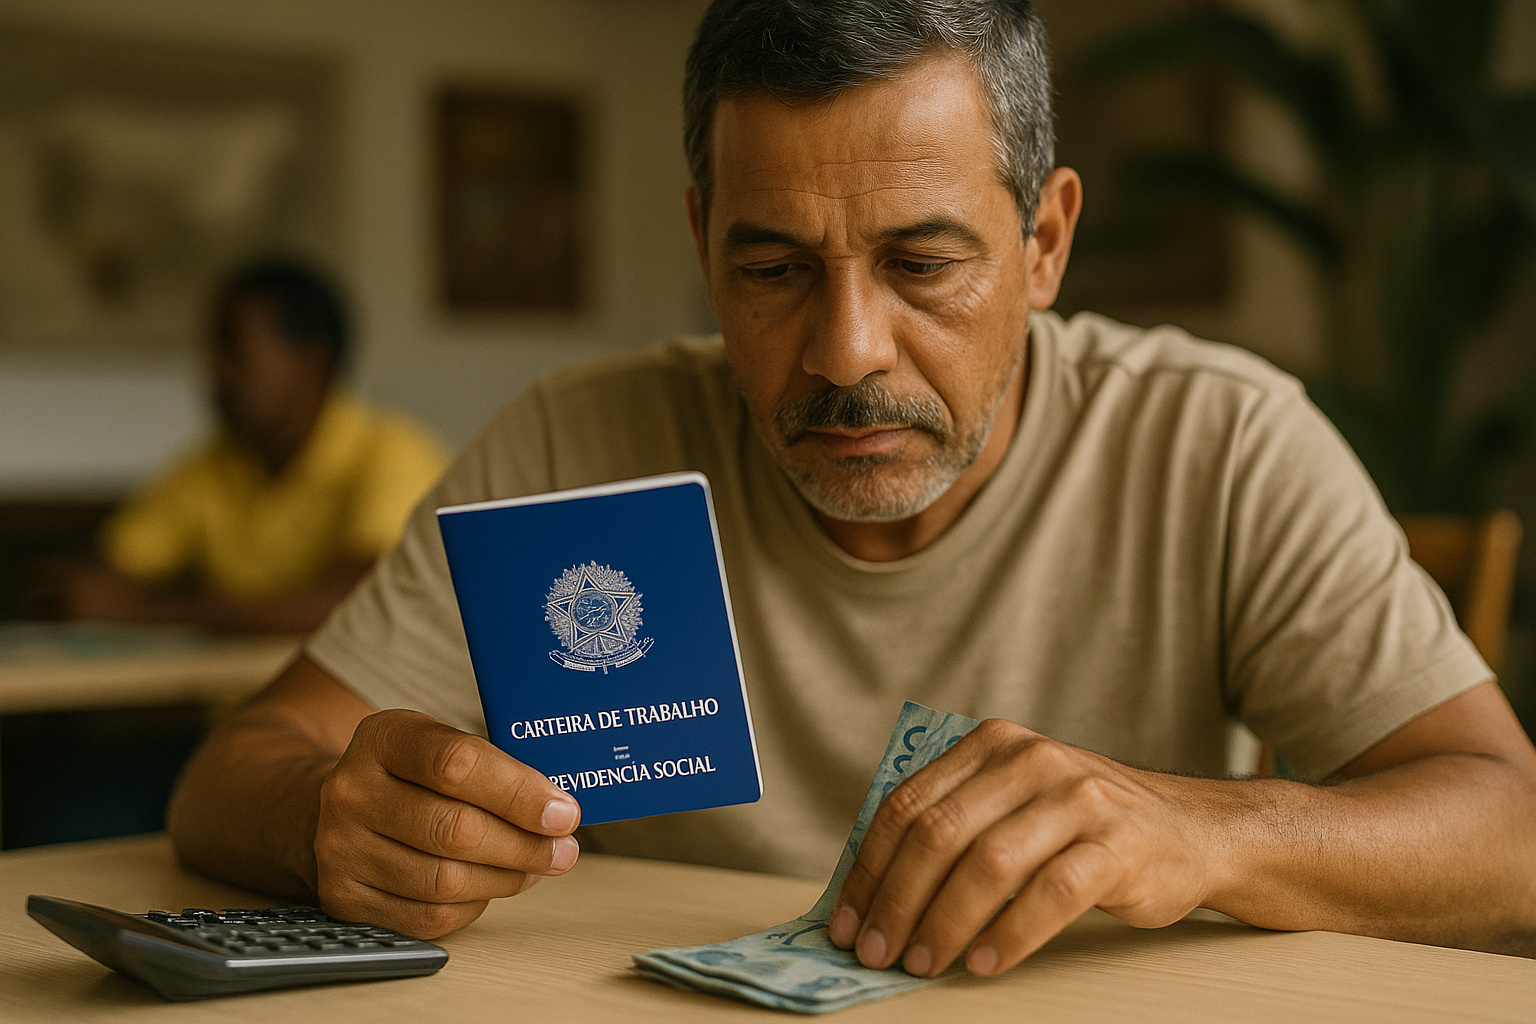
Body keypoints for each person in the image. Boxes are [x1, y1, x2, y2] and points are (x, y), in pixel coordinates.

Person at [169, 0, 1536, 978]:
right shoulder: (575, 443)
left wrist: (1197, 827)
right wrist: (328, 823)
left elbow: (1512, 834)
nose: (844, 353)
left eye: (924, 265)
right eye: (772, 271)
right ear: (704, 244)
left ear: (1046, 241)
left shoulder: (1221, 441)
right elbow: (235, 774)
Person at [66, 260, 449, 634]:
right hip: (229, 699)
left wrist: (150, 613)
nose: (212, 370)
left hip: (359, 702)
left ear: (311, 361)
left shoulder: (392, 453)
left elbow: (359, 605)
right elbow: (103, 581)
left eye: (234, 349)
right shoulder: (211, 467)